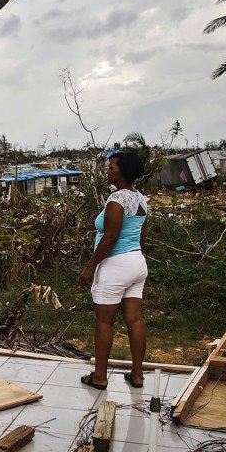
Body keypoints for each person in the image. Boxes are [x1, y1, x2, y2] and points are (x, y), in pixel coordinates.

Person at [78, 151, 149, 390]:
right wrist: (136, 260)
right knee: (134, 319)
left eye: (111, 167)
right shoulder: (141, 199)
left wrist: (89, 269)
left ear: (123, 171)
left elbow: (110, 237)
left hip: (116, 265)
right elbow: (142, 234)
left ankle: (99, 376)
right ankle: (137, 375)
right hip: (136, 262)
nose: (108, 170)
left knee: (104, 322)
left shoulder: (117, 199)